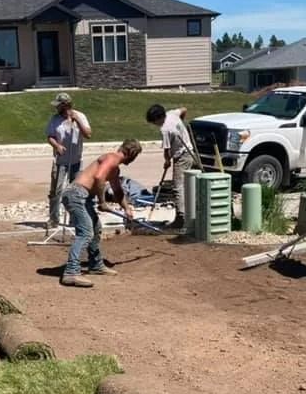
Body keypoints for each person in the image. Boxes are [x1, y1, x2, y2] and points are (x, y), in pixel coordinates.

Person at [60, 139, 143, 288]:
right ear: (132, 153)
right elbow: (99, 177)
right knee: (85, 233)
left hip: (83, 197)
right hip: (77, 195)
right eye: (136, 156)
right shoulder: (112, 158)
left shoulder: (115, 168)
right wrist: (102, 202)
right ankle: (71, 272)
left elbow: (118, 191)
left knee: (96, 229)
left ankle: (95, 265)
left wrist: (127, 208)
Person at [145, 104, 196, 230]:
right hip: (190, 152)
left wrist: (167, 161)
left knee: (178, 187)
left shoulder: (165, 130)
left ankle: (181, 218)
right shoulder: (172, 114)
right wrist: (182, 122)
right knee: (188, 184)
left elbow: (167, 151)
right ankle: (188, 214)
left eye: (154, 122)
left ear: (158, 118)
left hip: (181, 157)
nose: (155, 125)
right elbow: (184, 109)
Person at [45, 92, 92, 229]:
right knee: (56, 191)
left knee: (74, 191)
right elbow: (50, 136)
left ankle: (74, 219)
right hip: (60, 161)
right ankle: (53, 219)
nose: (56, 108)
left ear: (66, 105)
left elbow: (88, 134)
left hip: (76, 160)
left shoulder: (80, 116)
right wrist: (57, 145)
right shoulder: (55, 119)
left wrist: (77, 120)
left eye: (59, 106)